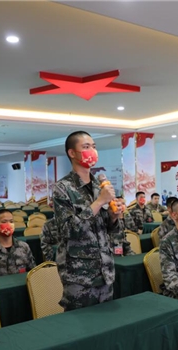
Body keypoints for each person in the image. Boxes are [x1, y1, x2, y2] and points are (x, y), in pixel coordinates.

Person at [53, 131, 121, 311]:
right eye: (86, 147)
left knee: (107, 320)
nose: (92, 150)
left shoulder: (99, 186)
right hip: (79, 275)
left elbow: (108, 229)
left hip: (105, 271)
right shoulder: (63, 188)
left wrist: (113, 217)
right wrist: (99, 202)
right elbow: (68, 230)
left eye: (94, 146)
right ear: (72, 153)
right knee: (80, 323)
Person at [0, 209, 36, 277]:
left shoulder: (24, 247)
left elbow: (33, 273)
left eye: (11, 221)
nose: (9, 224)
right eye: (4, 222)